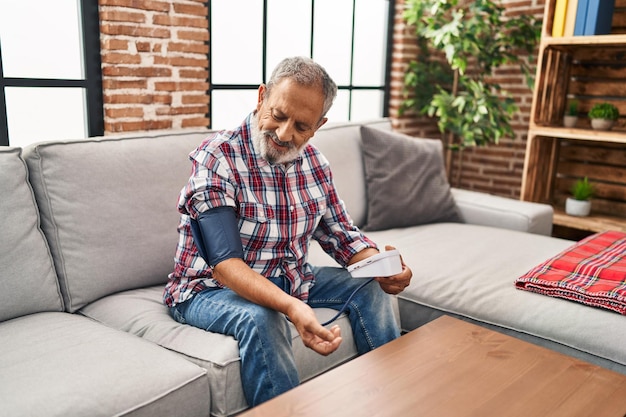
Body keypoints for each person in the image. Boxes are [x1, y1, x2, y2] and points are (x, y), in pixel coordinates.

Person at [163, 56, 412, 407]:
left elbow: (341, 235)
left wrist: (383, 266)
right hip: (207, 290)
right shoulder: (217, 158)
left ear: (318, 125)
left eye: (301, 126)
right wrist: (292, 307)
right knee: (262, 317)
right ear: (262, 96)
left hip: (290, 278)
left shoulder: (315, 164)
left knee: (370, 289)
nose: (284, 134)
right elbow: (224, 263)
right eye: (278, 116)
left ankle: (389, 401)